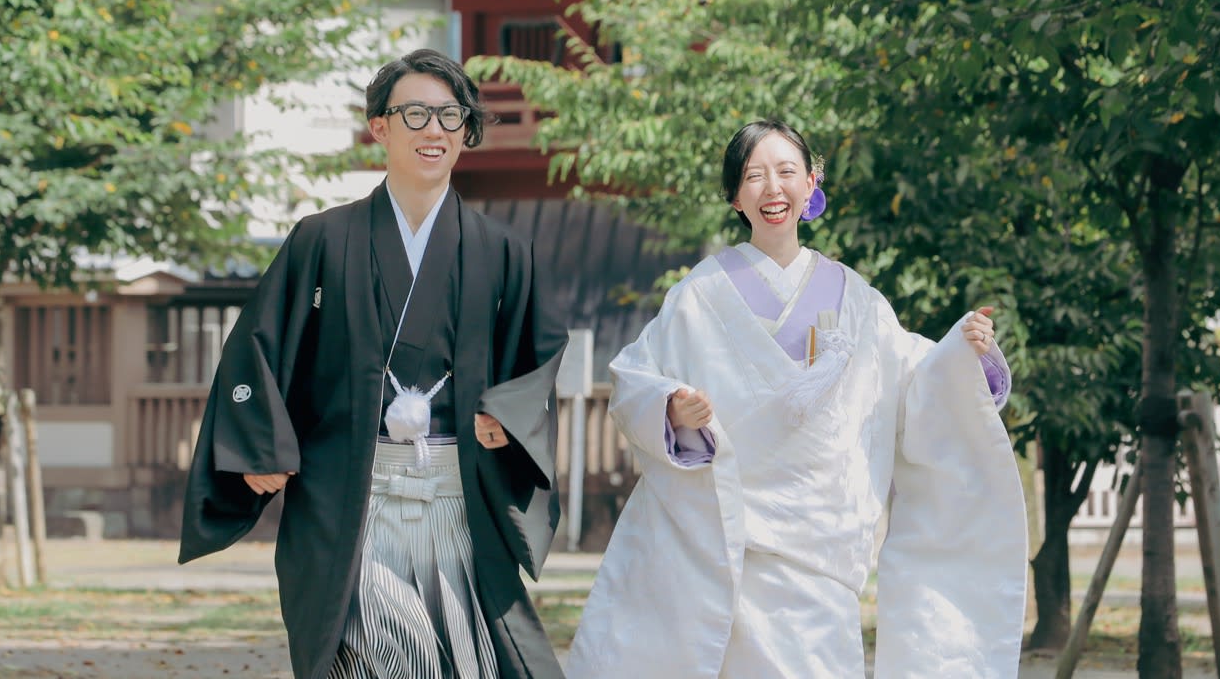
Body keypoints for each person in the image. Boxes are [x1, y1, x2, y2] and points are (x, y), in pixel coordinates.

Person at [566, 118, 1027, 678]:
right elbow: (635, 378)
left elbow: (914, 382)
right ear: (735, 196)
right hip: (730, 544)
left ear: (811, 183)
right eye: (753, 176)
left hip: (822, 546)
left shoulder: (858, 300)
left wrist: (962, 355)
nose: (772, 188)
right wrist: (673, 410)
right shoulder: (698, 295)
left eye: (786, 172)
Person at [179, 49, 567, 679]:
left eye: (450, 115)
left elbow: (538, 353)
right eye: (416, 114)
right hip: (349, 496)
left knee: (468, 663)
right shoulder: (321, 239)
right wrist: (260, 445)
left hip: (457, 496)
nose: (434, 130)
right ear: (379, 127)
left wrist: (510, 416)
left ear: (466, 130)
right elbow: (256, 347)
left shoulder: (501, 249)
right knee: (386, 653)